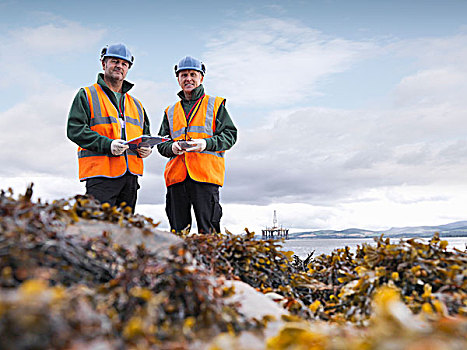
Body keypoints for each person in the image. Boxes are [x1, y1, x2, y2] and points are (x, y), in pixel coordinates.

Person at [67, 43, 152, 212]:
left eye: (124, 64)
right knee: (98, 229)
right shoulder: (86, 94)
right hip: (100, 175)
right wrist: (108, 145)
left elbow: (146, 135)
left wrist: (146, 148)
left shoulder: (137, 104)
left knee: (125, 231)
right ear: (103, 63)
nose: (119, 66)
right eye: (114, 61)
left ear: (128, 68)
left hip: (130, 178)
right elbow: (75, 130)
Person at [157, 56, 237, 234]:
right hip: (176, 178)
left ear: (201, 77)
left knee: (209, 233)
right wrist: (172, 147)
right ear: (178, 79)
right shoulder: (170, 111)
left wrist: (205, 143)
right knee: (177, 233)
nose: (188, 79)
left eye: (193, 74)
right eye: (184, 75)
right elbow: (161, 143)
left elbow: (230, 135)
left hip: (205, 177)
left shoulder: (215, 104)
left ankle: (211, 263)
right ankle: (180, 263)